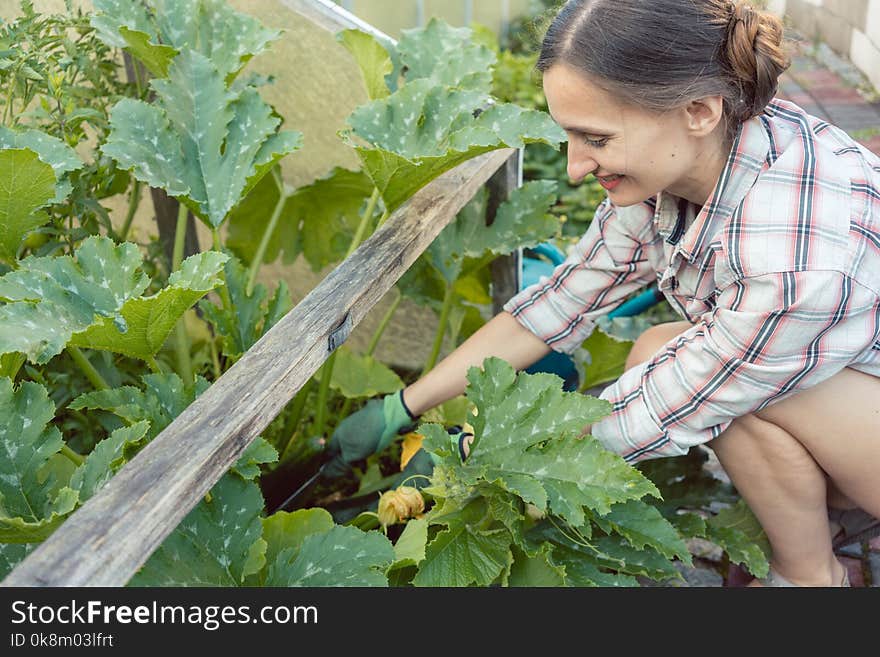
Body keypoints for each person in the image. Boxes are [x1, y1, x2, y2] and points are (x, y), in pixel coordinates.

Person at [329, 0, 880, 587]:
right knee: (661, 350)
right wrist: (404, 406)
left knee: (686, 374)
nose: (572, 168)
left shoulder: (792, 256)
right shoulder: (696, 157)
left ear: (697, 110)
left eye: (594, 137)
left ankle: (812, 578)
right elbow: (558, 303)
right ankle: (817, 529)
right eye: (569, 134)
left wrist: (484, 452)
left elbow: (663, 403)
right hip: (848, 398)